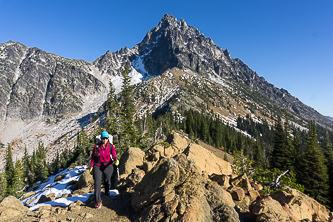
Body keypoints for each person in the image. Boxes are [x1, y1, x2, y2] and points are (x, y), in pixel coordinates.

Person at [90, 131, 119, 209]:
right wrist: (92, 166)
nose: (105, 140)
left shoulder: (111, 146)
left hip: (108, 165)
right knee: (97, 182)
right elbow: (93, 157)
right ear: (101, 138)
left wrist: (116, 160)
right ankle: (98, 201)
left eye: (106, 138)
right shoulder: (96, 147)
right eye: (103, 138)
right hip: (98, 165)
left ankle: (107, 191)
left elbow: (114, 155)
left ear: (108, 139)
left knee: (107, 180)